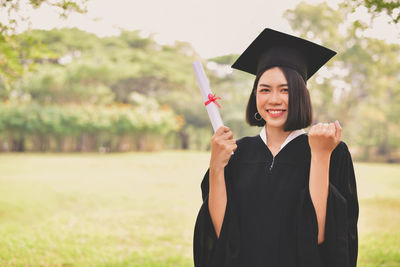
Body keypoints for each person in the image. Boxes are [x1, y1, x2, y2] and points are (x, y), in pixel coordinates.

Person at [193, 28, 359, 267]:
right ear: (255, 95)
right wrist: (217, 166)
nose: (274, 99)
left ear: (302, 95)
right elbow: (222, 234)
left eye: (285, 90)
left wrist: (321, 155)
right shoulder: (236, 154)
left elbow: (323, 238)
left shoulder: (331, 150)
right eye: (264, 89)